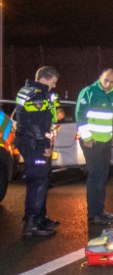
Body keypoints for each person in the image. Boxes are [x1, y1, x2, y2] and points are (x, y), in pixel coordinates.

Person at [13, 66, 60, 236]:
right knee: (38, 181)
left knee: (41, 179)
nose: (53, 86)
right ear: (43, 79)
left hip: (27, 140)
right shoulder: (37, 94)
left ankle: (40, 217)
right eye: (53, 82)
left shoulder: (25, 90)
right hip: (34, 143)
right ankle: (32, 224)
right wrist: (46, 145)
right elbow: (37, 124)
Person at [76, 68, 113, 225]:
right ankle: (93, 213)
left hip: (105, 141)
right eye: (106, 80)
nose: (108, 84)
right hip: (92, 141)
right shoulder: (89, 92)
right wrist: (86, 136)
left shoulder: (112, 94)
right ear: (100, 77)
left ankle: (100, 210)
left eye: (112, 82)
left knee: (102, 177)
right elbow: (80, 114)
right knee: (95, 177)